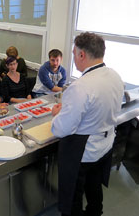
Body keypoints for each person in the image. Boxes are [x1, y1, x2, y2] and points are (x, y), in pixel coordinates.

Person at [51, 32, 124, 216]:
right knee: (94, 187)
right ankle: (95, 212)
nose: (74, 56)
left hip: (83, 152)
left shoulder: (81, 86)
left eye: (74, 52)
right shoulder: (115, 76)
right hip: (105, 145)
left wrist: (58, 113)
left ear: (81, 54)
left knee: (73, 197)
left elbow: (61, 129)